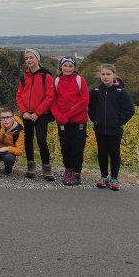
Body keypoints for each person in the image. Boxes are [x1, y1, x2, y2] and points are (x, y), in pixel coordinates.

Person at [89, 63, 135, 191]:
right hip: (99, 129)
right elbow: (91, 108)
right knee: (102, 153)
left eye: (108, 74)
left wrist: (118, 122)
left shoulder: (121, 92)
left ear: (114, 75)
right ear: (100, 75)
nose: (105, 77)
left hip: (115, 130)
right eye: (103, 74)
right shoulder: (96, 91)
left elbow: (130, 110)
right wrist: (95, 120)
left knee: (114, 154)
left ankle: (114, 179)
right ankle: (104, 177)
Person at [15, 48, 56, 181]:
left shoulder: (46, 76)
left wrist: (37, 113)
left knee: (41, 140)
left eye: (31, 57)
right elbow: (19, 96)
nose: (29, 60)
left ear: (37, 58)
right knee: (28, 140)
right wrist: (24, 112)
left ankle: (46, 168)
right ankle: (30, 166)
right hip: (27, 114)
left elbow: (50, 97)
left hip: (41, 114)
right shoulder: (23, 78)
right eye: (26, 58)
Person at [50, 57, 89, 186]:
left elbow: (84, 100)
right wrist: (58, 116)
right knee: (65, 147)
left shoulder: (80, 80)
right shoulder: (57, 81)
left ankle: (77, 173)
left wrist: (66, 116)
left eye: (70, 66)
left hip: (78, 121)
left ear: (74, 68)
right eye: (65, 65)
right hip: (62, 122)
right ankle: (68, 170)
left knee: (77, 147)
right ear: (61, 67)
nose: (67, 68)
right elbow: (53, 101)